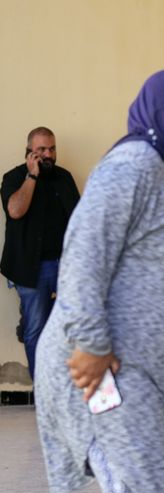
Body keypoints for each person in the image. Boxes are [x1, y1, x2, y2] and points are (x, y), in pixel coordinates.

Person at [35, 68, 164, 493]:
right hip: (107, 374)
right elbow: (82, 254)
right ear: (162, 112)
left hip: (141, 378)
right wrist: (93, 347)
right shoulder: (132, 166)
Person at [1, 127, 80, 381]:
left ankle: (68, 387)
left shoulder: (64, 178)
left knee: (74, 325)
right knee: (36, 331)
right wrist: (32, 177)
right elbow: (15, 210)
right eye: (42, 150)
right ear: (29, 153)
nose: (48, 154)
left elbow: (78, 218)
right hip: (31, 268)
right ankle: (43, 391)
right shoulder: (13, 178)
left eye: (52, 149)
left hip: (65, 266)